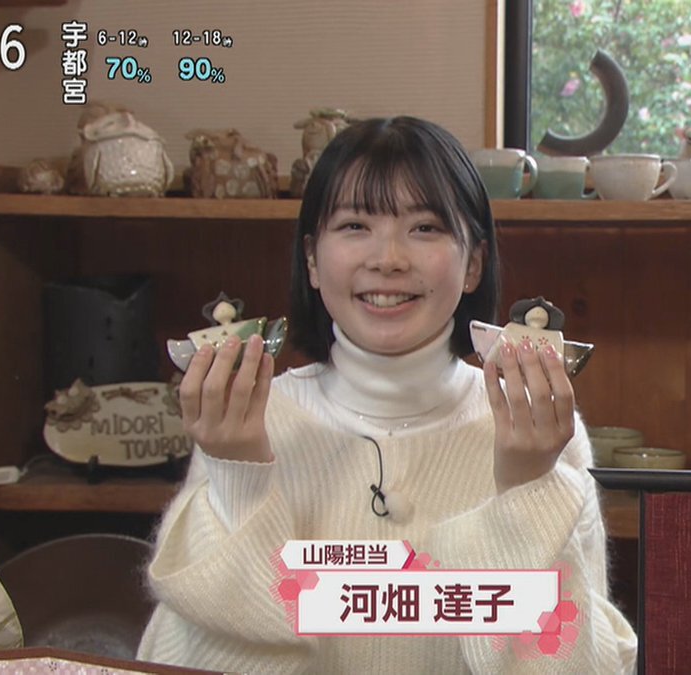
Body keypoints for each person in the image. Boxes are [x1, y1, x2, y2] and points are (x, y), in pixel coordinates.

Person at [136, 116, 639, 673]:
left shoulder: (534, 431)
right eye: (355, 225)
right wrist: (238, 475)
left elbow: (577, 664)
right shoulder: (250, 421)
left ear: (473, 263)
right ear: (312, 260)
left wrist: (525, 489)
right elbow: (185, 660)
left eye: (424, 228)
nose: (389, 259)